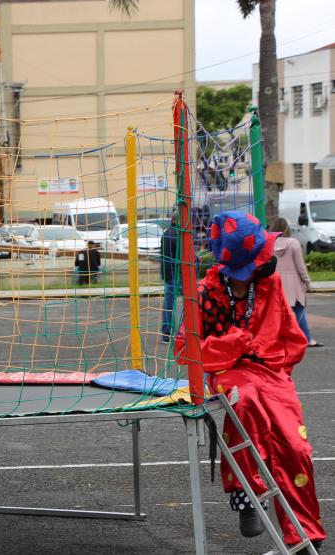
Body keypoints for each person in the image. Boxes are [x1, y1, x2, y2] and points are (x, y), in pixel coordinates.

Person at [175, 211, 325, 550]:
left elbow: (291, 337)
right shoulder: (205, 293)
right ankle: (246, 493)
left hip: (272, 371)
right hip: (228, 370)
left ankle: (304, 534)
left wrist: (273, 365)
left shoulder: (269, 285)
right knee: (246, 402)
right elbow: (186, 350)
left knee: (295, 445)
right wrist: (234, 344)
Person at [270, 217, 322, 347]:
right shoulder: (294, 243)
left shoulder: (270, 243)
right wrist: (307, 281)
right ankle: (307, 338)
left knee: (276, 312)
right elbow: (300, 266)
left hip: (275, 282)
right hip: (294, 283)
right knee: (299, 310)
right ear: (287, 228)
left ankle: (277, 339)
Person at [160, 212, 181, 342]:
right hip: (177, 275)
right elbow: (179, 255)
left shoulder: (168, 233)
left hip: (172, 274)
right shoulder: (175, 234)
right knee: (193, 302)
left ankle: (167, 333)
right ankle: (192, 330)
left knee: (168, 305)